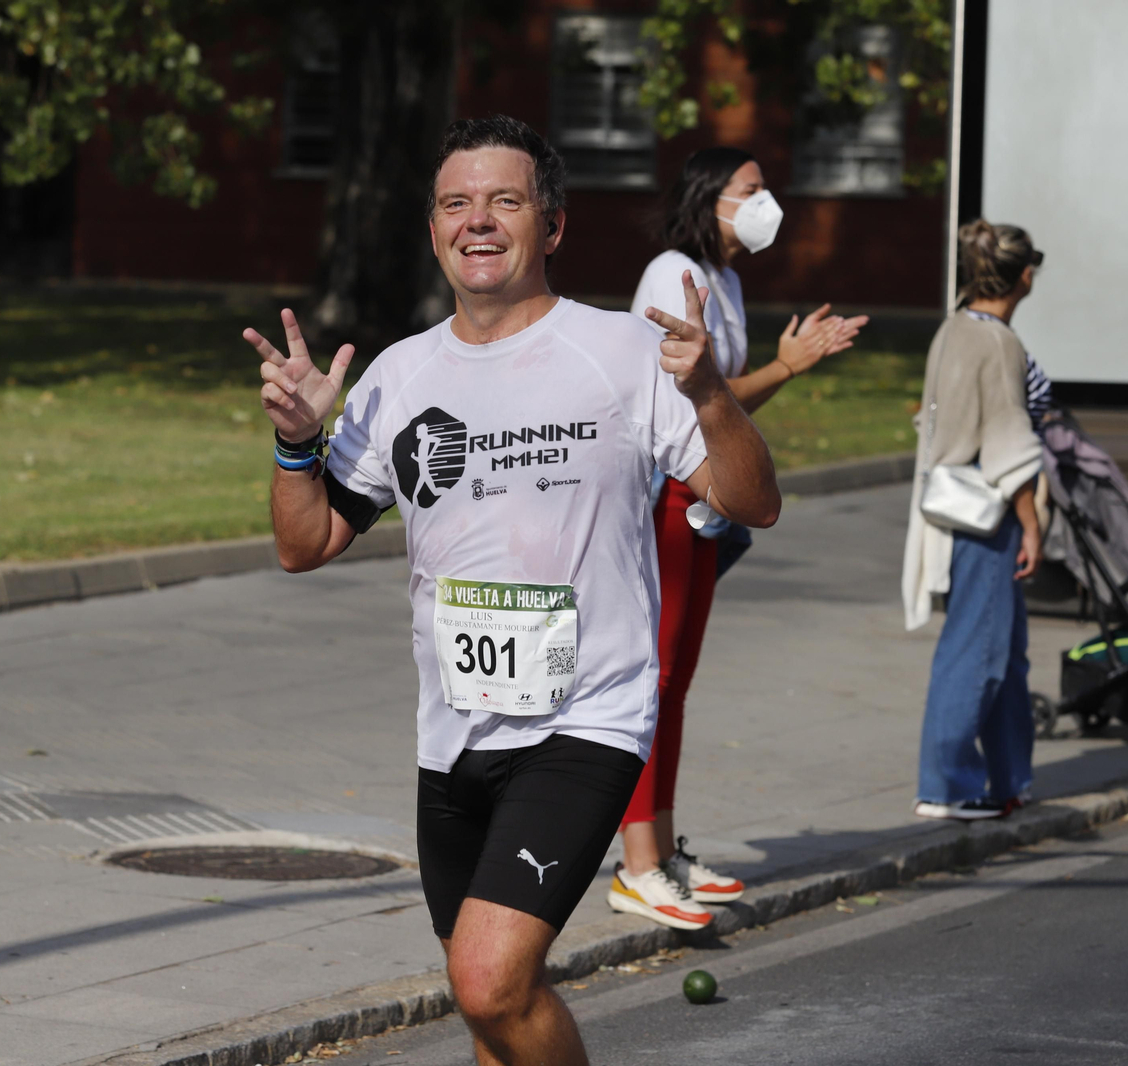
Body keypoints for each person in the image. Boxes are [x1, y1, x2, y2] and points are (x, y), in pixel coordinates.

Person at [245, 115, 780, 1066]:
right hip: (454, 734)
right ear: (434, 229)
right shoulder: (399, 376)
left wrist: (709, 395)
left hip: (586, 720)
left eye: (505, 201)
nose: (478, 221)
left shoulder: (620, 352)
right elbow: (306, 543)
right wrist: (297, 446)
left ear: (554, 224)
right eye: (457, 204)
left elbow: (753, 501)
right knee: (493, 1010)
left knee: (488, 978)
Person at [608, 147, 865, 930]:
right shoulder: (672, 274)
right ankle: (636, 866)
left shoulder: (726, 279)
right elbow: (684, 399)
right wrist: (787, 368)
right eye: (751, 189)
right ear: (709, 197)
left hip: (704, 500)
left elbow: (723, 410)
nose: (765, 202)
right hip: (664, 495)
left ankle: (662, 851)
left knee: (676, 680)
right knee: (651, 681)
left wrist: (784, 367)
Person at [901, 219, 1044, 821]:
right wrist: (1032, 523)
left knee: (1003, 652)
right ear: (1024, 276)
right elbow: (1009, 440)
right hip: (988, 518)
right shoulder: (1000, 342)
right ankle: (948, 786)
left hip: (953, 508)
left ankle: (1009, 778)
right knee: (979, 652)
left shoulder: (954, 328)